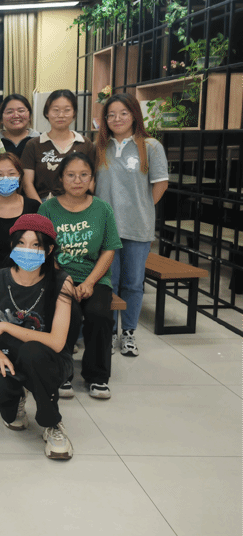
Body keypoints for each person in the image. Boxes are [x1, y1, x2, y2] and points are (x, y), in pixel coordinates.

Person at [0, 214, 80, 460]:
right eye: (21, 243)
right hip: (6, 355)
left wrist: (4, 327)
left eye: (36, 245)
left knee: (32, 352)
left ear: (49, 249)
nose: (27, 250)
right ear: (12, 245)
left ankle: (52, 423)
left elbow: (56, 342)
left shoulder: (62, 282)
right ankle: (16, 398)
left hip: (46, 358)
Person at [39, 151, 122, 400]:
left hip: (93, 277)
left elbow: (109, 249)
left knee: (99, 315)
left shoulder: (102, 209)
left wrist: (89, 282)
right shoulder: (48, 208)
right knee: (69, 315)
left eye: (84, 175)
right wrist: (64, 279)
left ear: (92, 178)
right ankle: (61, 373)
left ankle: (97, 377)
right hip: (58, 276)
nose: (77, 180)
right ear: (61, 178)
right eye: (71, 175)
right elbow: (42, 248)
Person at [95, 93, 168, 356]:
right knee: (109, 283)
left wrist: (142, 208)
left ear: (134, 115)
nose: (117, 119)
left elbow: (160, 184)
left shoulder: (150, 146)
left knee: (134, 283)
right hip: (106, 229)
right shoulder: (99, 147)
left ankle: (128, 333)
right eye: (111, 115)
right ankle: (109, 332)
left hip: (138, 228)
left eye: (123, 113)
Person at [21, 89, 93, 203]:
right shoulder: (33, 145)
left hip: (77, 203)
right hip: (43, 203)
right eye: (56, 110)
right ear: (47, 113)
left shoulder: (85, 144)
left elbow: (92, 179)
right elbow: (27, 183)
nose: (61, 115)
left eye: (67, 110)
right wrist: (41, 208)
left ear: (74, 113)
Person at [0, 153, 40, 278]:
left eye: (11, 174)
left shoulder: (34, 207)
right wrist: (2, 276)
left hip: (28, 275)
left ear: (20, 176)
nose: (5, 178)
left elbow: (40, 247)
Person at [0, 94, 40, 159]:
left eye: (21, 111)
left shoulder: (41, 140)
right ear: (1, 118)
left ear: (29, 115)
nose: (16, 116)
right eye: (10, 112)